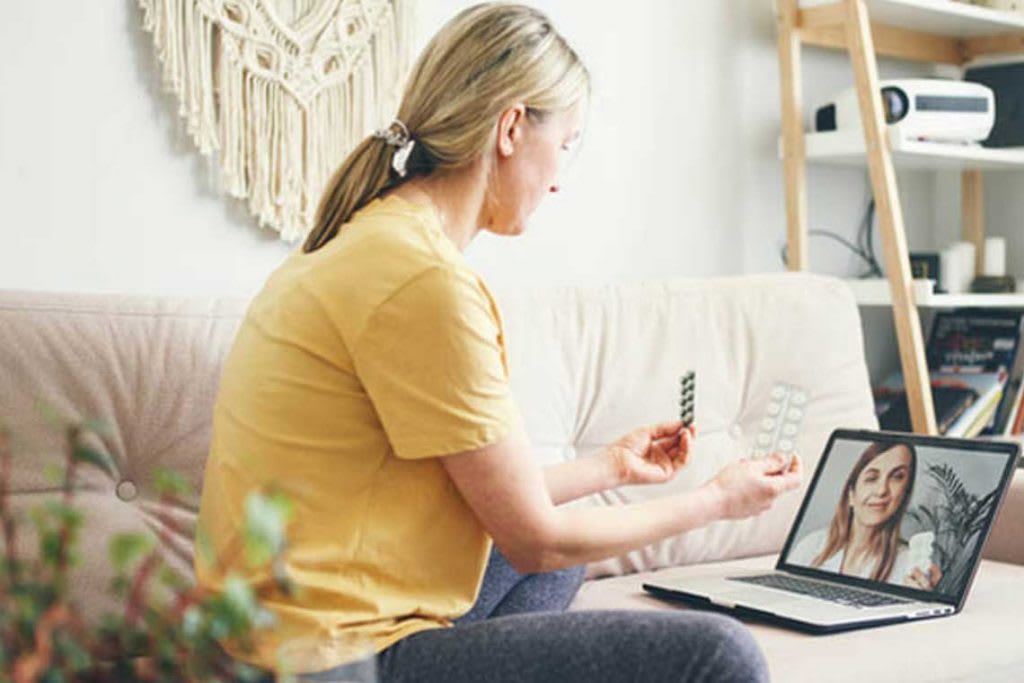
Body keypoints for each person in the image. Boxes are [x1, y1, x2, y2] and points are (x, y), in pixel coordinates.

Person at [195, 4, 802, 681]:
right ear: (512, 127)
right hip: (332, 661)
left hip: (271, 634)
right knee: (720, 654)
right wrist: (718, 499)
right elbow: (534, 536)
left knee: (559, 554)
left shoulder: (371, 243)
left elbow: (494, 505)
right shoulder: (423, 283)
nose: (559, 177)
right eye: (565, 142)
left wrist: (609, 468)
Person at [788, 441, 941, 589]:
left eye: (897, 477)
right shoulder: (810, 545)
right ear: (851, 494)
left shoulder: (909, 567)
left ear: (904, 495)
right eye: (872, 478)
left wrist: (924, 599)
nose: (881, 490)